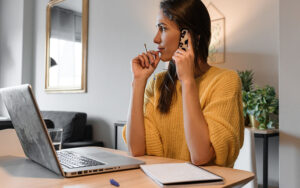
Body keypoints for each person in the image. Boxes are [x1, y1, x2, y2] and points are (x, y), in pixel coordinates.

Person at [122, 0, 244, 168]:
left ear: (188, 37)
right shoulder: (157, 83)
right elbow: (135, 150)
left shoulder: (226, 81)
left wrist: (187, 81)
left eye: (163, 28)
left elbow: (201, 156)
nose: (156, 38)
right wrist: (138, 82)